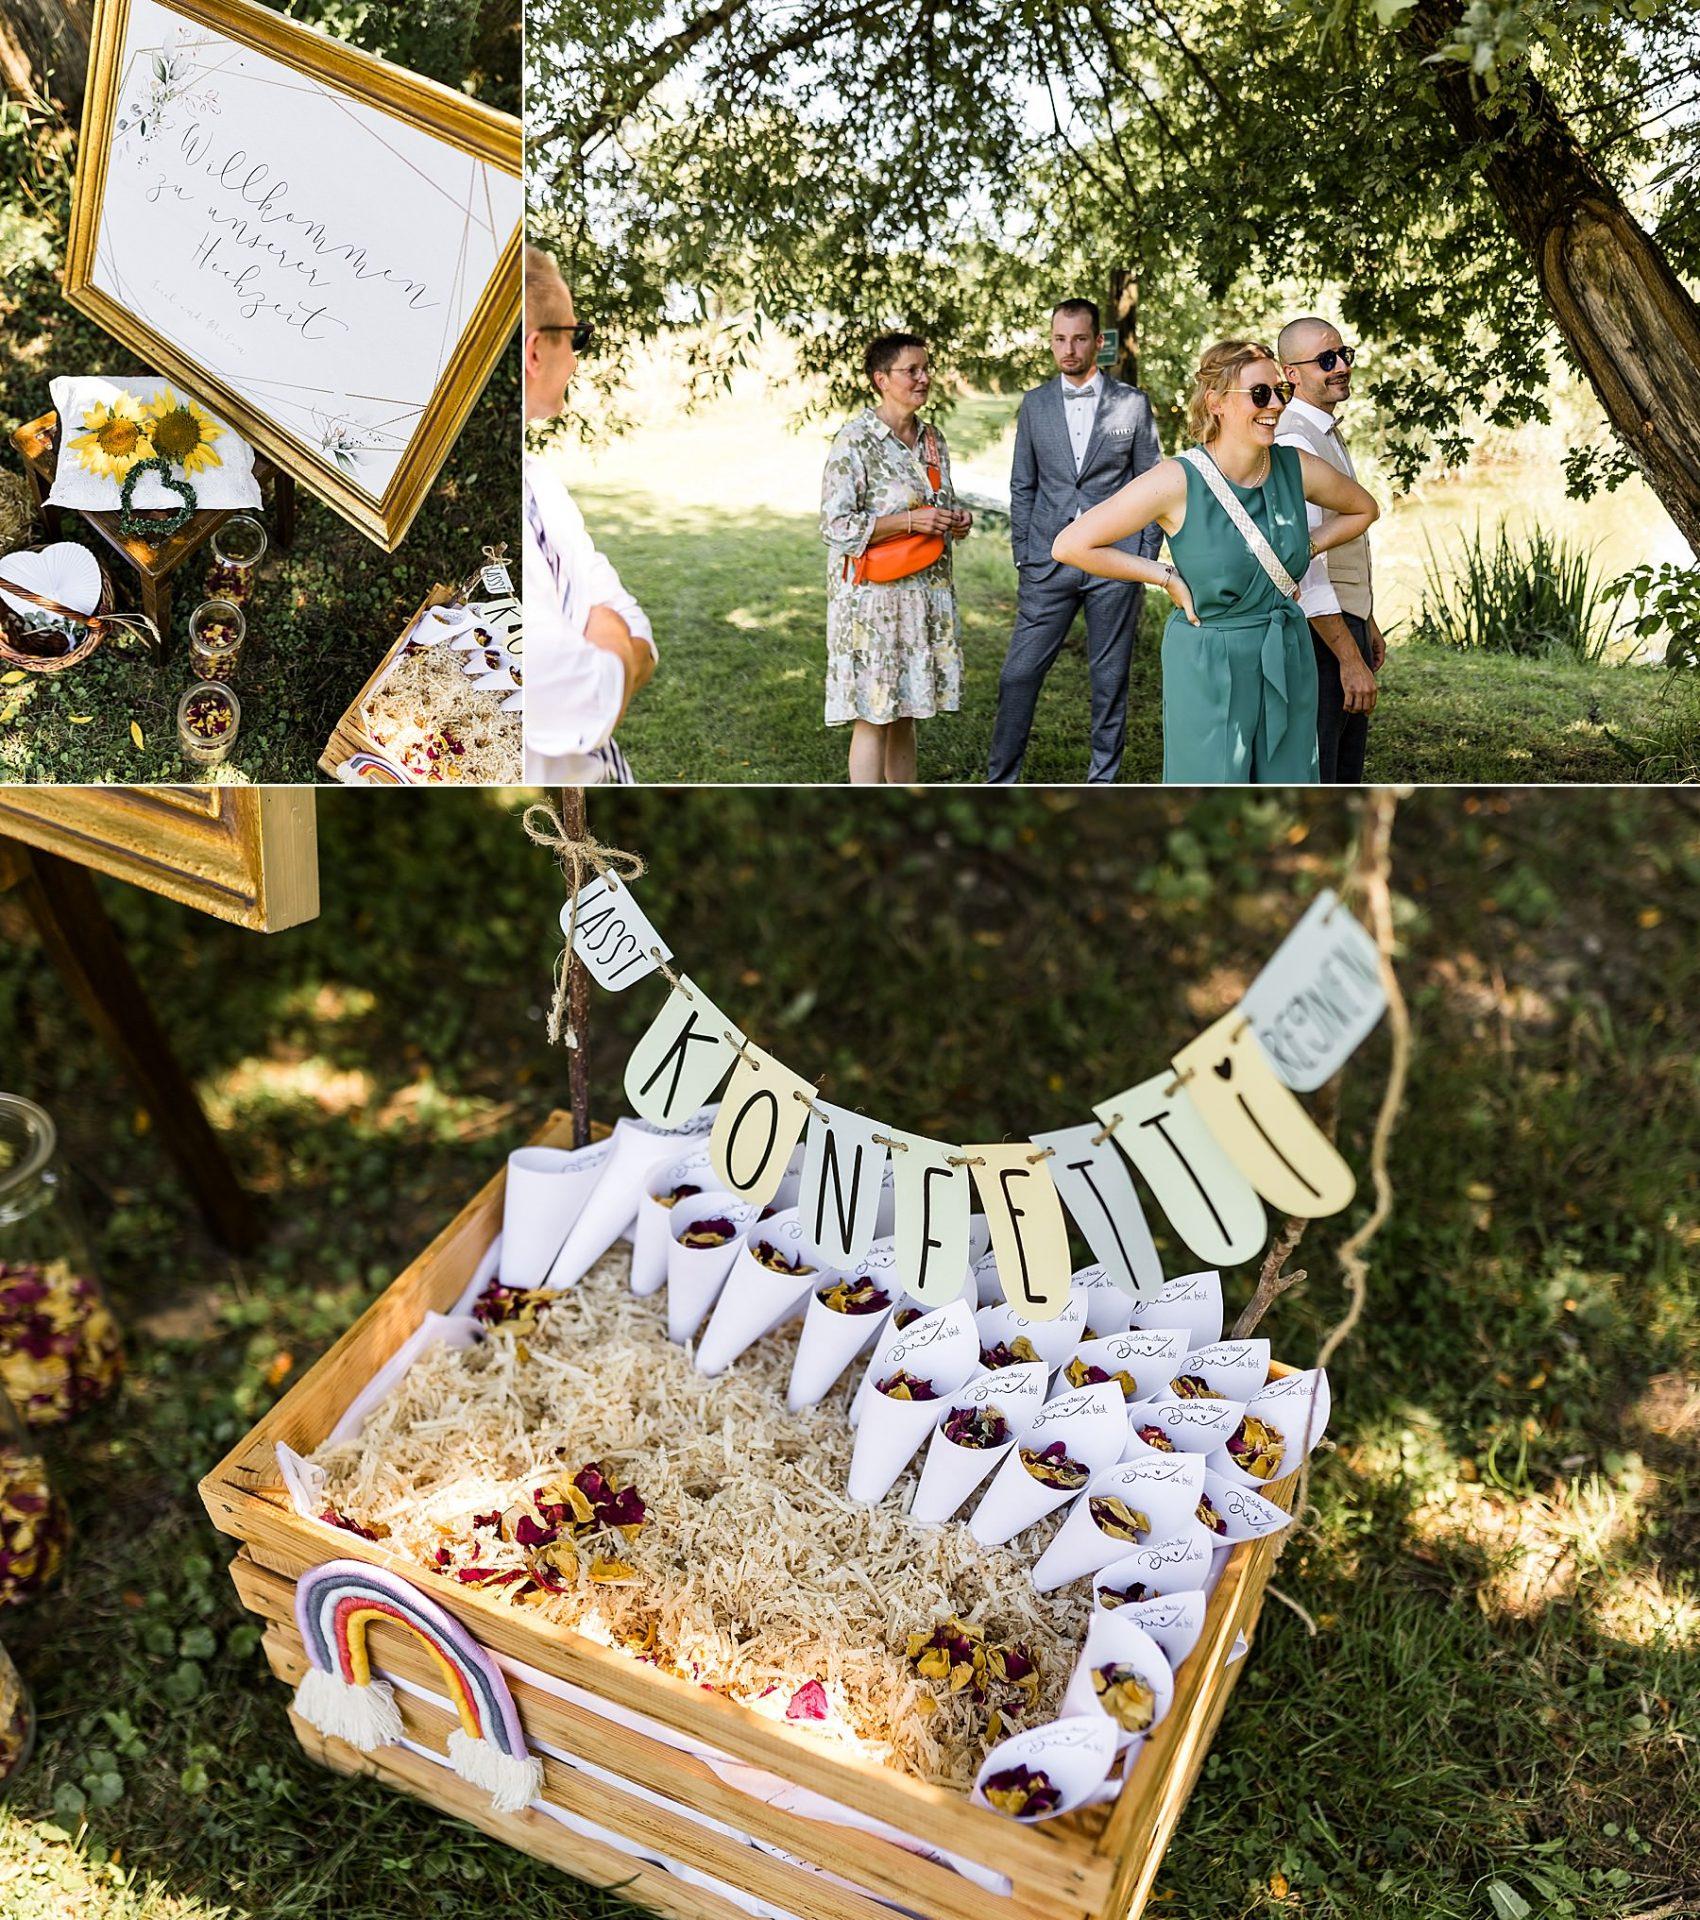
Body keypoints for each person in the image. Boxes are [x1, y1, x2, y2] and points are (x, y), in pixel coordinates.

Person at [1051, 339, 1379, 783]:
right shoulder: (1178, 479)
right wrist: (1163, 576)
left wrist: (1308, 545)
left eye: (1280, 391)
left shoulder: (1294, 466)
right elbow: (1071, 545)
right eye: (1259, 394)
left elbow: (1364, 508)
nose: (1276, 405)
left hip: (1286, 649)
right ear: (1217, 402)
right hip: (1209, 659)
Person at [988, 299, 1163, 783]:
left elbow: (1151, 483)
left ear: (1098, 343)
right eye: (1059, 339)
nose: (1068, 349)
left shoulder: (1132, 404)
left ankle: (1102, 780)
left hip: (1115, 561)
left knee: (1109, 680)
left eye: (1079, 339)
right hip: (1048, 560)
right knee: (1017, 675)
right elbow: (1022, 485)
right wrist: (1025, 554)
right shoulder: (1035, 403)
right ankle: (1000, 780)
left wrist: (1144, 554)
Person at [521, 244, 655, 785]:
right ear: (535, 352)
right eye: (576, 338)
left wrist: (609, 647)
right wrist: (614, 649)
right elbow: (573, 703)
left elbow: (627, 613)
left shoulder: (541, 481)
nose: (576, 359)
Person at [819, 332, 972, 784]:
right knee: (874, 714)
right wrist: (911, 523)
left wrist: (955, 520)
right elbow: (836, 527)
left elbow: (937, 503)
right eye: (912, 371)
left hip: (924, 598)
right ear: (881, 379)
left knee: (906, 713)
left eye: (926, 368)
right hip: (873, 606)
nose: (924, 378)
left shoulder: (933, 439)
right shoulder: (855, 441)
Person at [1276, 317, 1384, 782]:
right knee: (1323, 773)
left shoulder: (1324, 430)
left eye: (1344, 355)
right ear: (1292, 374)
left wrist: (1368, 620)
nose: (1341, 366)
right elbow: (1303, 564)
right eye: (1326, 360)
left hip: (1345, 620)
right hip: (1317, 637)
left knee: (1345, 770)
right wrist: (1348, 657)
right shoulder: (1294, 438)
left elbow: (1344, 544)